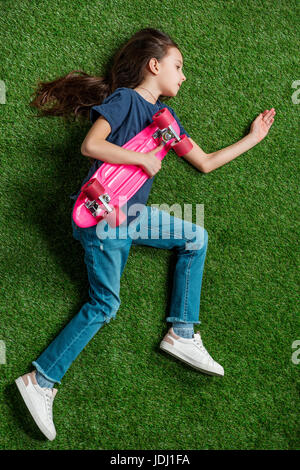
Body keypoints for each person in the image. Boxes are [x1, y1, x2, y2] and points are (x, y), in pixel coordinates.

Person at [14, 28, 276, 441]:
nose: (183, 77)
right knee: (105, 306)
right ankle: (40, 380)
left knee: (195, 238)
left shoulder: (166, 121)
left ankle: (182, 333)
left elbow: (204, 163)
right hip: (104, 219)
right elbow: (92, 146)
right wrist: (139, 157)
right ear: (154, 66)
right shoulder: (124, 101)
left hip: (134, 216)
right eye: (178, 66)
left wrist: (253, 138)